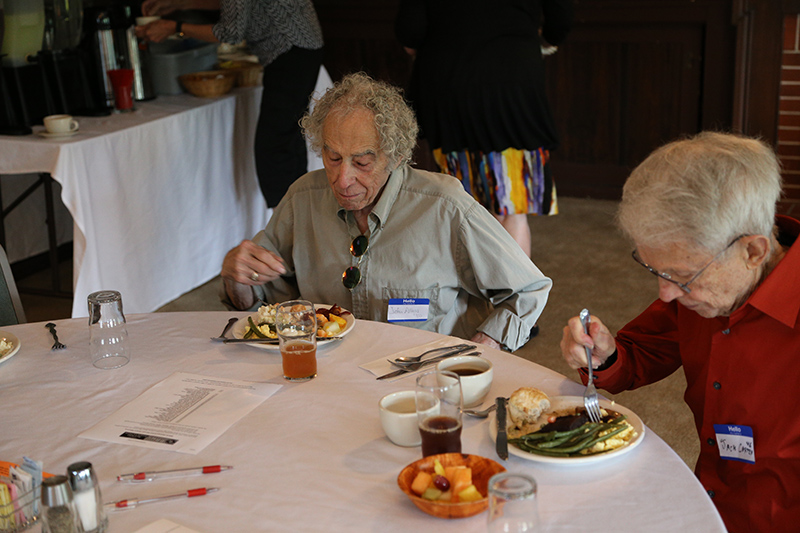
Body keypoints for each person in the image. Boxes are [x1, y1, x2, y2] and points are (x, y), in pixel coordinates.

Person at [559, 132, 799, 532]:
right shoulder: (706, 290)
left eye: (683, 276)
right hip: (704, 504)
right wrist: (604, 355)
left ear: (754, 252)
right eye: (657, 271)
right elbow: (637, 354)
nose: (666, 293)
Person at [221, 72, 552, 351]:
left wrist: (479, 351)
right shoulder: (303, 198)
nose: (342, 179)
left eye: (362, 162)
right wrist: (237, 278)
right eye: (332, 157)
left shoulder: (444, 206)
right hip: (324, 377)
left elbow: (527, 291)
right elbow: (262, 306)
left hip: (419, 382)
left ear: (396, 157)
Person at [395, 0, 573, 257]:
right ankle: (512, 295)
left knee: (465, 208)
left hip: (450, 84)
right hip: (513, 83)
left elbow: (409, 30)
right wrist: (542, 40)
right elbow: (561, 17)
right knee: (513, 210)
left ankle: (474, 293)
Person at [138, 0, 324, 209]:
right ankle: (299, 221)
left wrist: (174, 27)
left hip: (291, 51)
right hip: (301, 48)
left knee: (274, 146)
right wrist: (178, 5)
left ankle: (291, 225)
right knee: (286, 141)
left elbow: (229, 33)